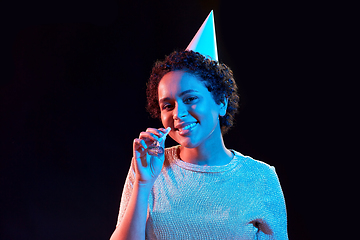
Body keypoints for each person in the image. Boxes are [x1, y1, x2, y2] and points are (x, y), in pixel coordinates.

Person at [110, 11, 288, 240]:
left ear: (221, 102)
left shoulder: (261, 177)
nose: (179, 114)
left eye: (190, 99)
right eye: (168, 105)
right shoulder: (147, 168)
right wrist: (144, 183)